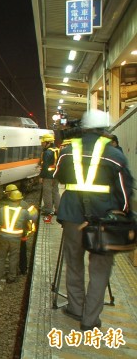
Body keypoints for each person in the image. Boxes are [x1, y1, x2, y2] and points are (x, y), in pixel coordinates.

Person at [53, 109, 134, 331]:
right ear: (105, 130)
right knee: (100, 269)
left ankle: (75, 308)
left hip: (71, 217)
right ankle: (89, 320)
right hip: (104, 220)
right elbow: (126, 194)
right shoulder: (114, 155)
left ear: (84, 128)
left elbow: (58, 175)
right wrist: (124, 214)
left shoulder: (68, 151)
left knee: (74, 263)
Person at [0, 190, 32, 284]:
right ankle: (11, 277)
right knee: (14, 257)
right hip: (16, 238)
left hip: (3, 236)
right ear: (19, 200)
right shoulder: (23, 212)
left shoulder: (2, 209)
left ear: (10, 199)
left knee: (1, 256)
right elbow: (29, 221)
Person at [2, 184, 38, 275]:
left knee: (18, 251)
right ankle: (23, 269)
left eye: (7, 193)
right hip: (21, 231)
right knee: (22, 250)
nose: (6, 195)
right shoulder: (23, 203)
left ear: (10, 194)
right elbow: (33, 215)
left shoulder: (14, 204)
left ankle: (18, 269)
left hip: (18, 232)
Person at [39, 133, 60, 223]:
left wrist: (41, 176)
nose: (42, 144)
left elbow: (45, 166)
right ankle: (58, 210)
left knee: (47, 192)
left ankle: (48, 209)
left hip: (48, 176)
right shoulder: (57, 150)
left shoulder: (47, 152)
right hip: (56, 175)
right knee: (56, 192)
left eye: (43, 142)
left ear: (48, 142)